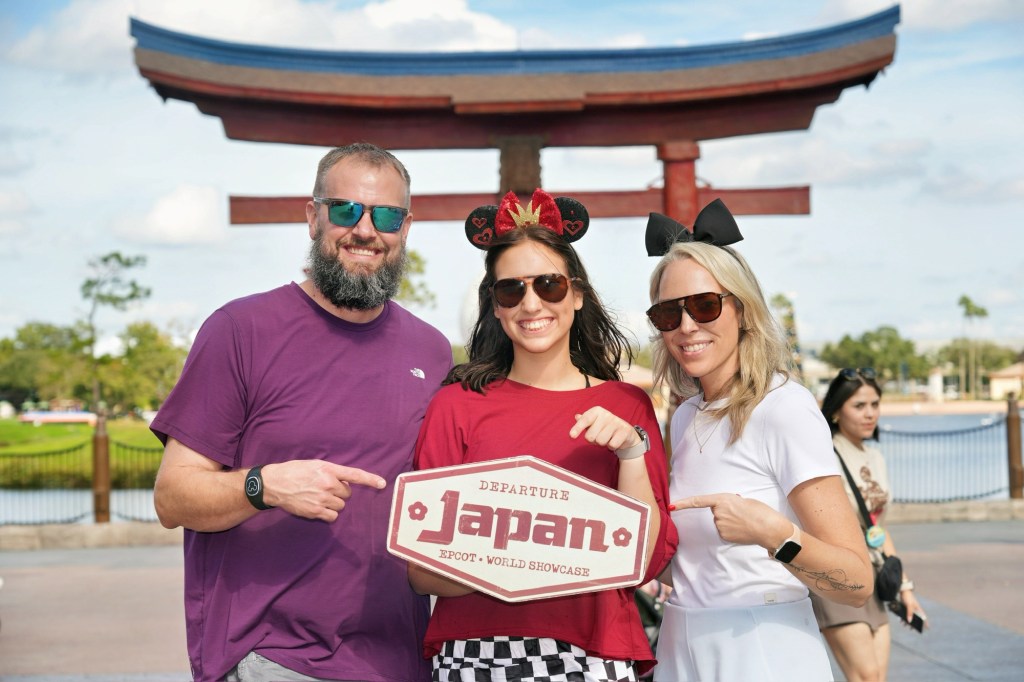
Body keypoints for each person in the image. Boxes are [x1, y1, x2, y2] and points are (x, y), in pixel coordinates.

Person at [150, 143, 452, 682]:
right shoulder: (241, 330)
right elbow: (173, 497)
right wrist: (265, 485)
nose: (365, 230)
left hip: (399, 658)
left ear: (405, 228)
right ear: (312, 217)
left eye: (385, 215)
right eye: (345, 210)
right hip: (273, 657)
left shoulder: (430, 350)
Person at [409, 189, 679, 681]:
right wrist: (552, 547)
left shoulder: (627, 407)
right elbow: (423, 573)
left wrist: (631, 451)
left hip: (596, 654)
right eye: (511, 290)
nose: (531, 303)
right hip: (478, 654)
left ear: (577, 294)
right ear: (494, 305)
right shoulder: (456, 406)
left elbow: (642, 562)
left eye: (549, 285)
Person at [643, 200, 874, 682]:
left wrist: (772, 533)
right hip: (679, 644)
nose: (687, 326)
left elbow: (856, 583)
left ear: (743, 310)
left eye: (705, 305)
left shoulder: (783, 407)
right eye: (668, 313)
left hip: (762, 645)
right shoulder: (685, 418)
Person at [812, 368, 927, 682]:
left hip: (874, 575)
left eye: (875, 405)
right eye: (859, 406)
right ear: (836, 410)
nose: (870, 414)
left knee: (877, 678)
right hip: (836, 573)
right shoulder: (823, 456)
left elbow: (878, 528)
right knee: (866, 677)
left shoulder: (875, 457)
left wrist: (905, 587)